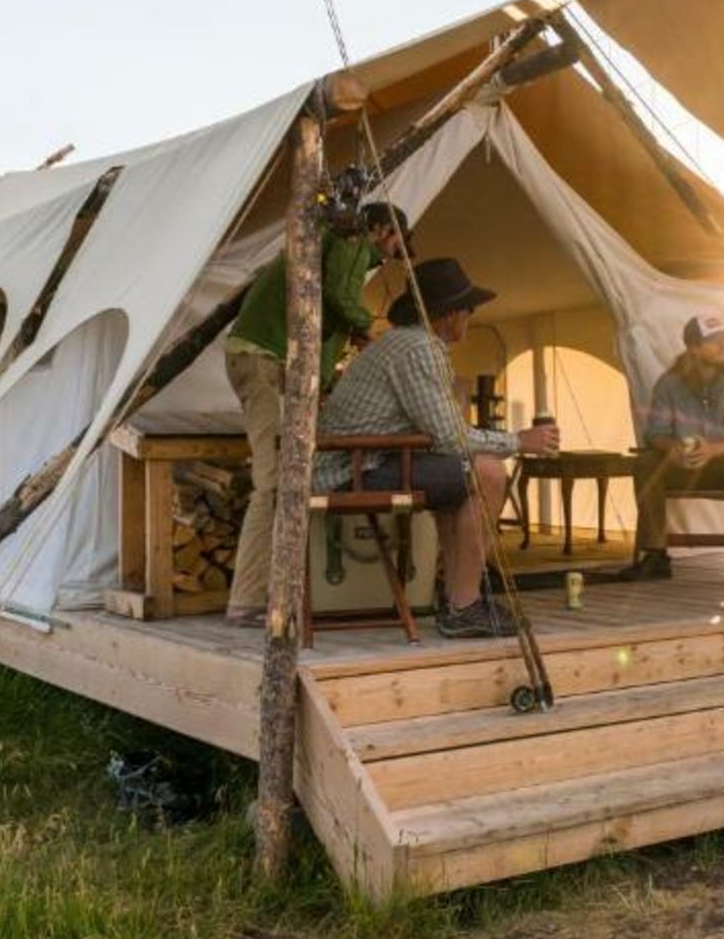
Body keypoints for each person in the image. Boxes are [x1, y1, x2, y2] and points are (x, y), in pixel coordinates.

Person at [314, 258, 560, 638]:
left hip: (363, 459)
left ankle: (457, 597)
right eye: (468, 310)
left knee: (459, 479)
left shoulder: (403, 343)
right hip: (353, 469)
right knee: (488, 472)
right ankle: (463, 605)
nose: (470, 318)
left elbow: (440, 433)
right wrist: (517, 441)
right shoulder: (419, 347)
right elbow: (449, 436)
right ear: (449, 314)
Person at [224, 200, 412, 624]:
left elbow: (323, 330)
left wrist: (327, 387)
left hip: (268, 362)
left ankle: (273, 593)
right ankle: (248, 601)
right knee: (272, 484)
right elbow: (343, 300)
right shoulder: (348, 241)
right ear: (382, 230)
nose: (391, 256)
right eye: (395, 245)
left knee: (286, 480)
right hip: (260, 360)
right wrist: (378, 339)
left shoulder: (329, 254)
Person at [622, 312, 724, 585]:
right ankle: (656, 555)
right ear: (693, 348)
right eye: (714, 340)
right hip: (682, 466)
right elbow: (655, 433)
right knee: (646, 462)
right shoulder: (668, 383)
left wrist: (712, 450)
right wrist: (672, 448)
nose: (723, 345)